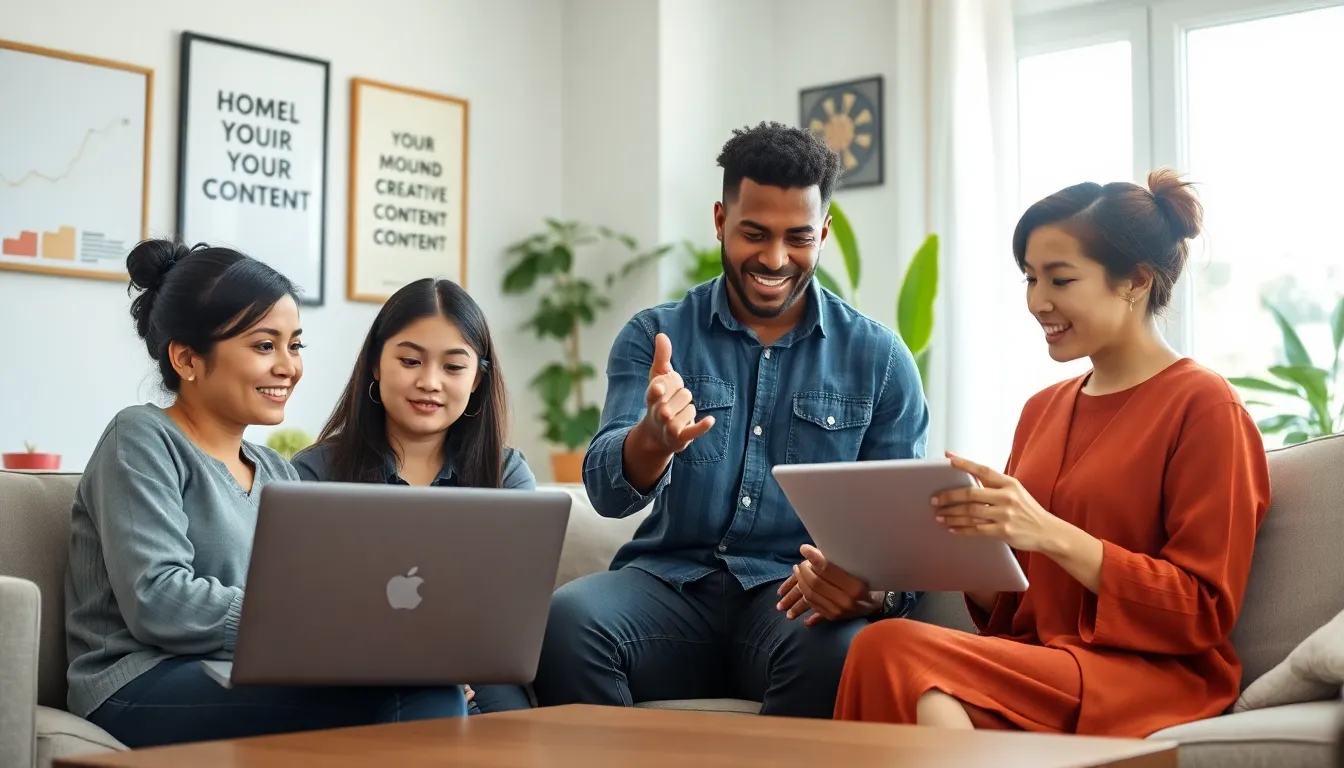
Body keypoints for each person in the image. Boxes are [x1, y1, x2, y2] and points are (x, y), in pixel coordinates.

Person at [831, 170, 1272, 737]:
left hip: (1150, 676)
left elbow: (1202, 610)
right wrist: (957, 550)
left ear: (1135, 281)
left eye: (1060, 280)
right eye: (1030, 278)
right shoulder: (1042, 409)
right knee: (904, 672)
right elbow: (1019, 607)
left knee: (893, 651)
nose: (1037, 301)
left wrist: (1047, 531)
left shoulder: (1205, 407)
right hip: (1040, 663)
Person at [531, 121, 930, 718]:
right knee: (568, 623)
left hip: (792, 598)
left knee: (842, 650)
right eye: (753, 233)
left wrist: (874, 591)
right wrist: (651, 442)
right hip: (666, 588)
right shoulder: (654, 335)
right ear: (721, 222)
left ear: (822, 232)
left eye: (798, 237)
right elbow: (607, 494)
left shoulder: (879, 360)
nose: (774, 258)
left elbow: (902, 539)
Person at [65, 240, 468, 749]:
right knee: (408, 696)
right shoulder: (142, 437)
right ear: (187, 358)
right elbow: (158, 599)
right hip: (136, 683)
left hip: (239, 671)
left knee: (428, 681)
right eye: (264, 346)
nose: (288, 367)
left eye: (294, 345)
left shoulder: (278, 471)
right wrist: (302, 621)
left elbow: (311, 593)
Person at [292, 277, 535, 715]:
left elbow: (511, 611)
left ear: (478, 379)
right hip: (356, 674)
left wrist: (455, 666)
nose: (430, 382)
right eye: (410, 360)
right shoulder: (314, 473)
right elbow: (305, 612)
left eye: (454, 367)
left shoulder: (507, 475)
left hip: (479, 668)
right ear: (375, 365)